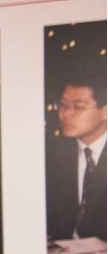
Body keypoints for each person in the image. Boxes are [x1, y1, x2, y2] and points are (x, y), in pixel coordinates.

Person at [45, 72, 107, 241]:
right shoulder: (51, 154)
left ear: (105, 112)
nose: (65, 114)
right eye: (63, 105)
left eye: (78, 107)